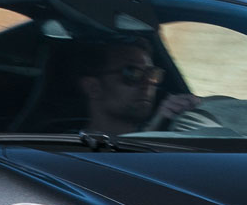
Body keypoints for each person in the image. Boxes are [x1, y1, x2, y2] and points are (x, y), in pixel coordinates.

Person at [63, 39, 200, 135]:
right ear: (93, 87)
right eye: (132, 73)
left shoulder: (169, 141)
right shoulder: (64, 147)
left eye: (152, 74)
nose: (148, 83)